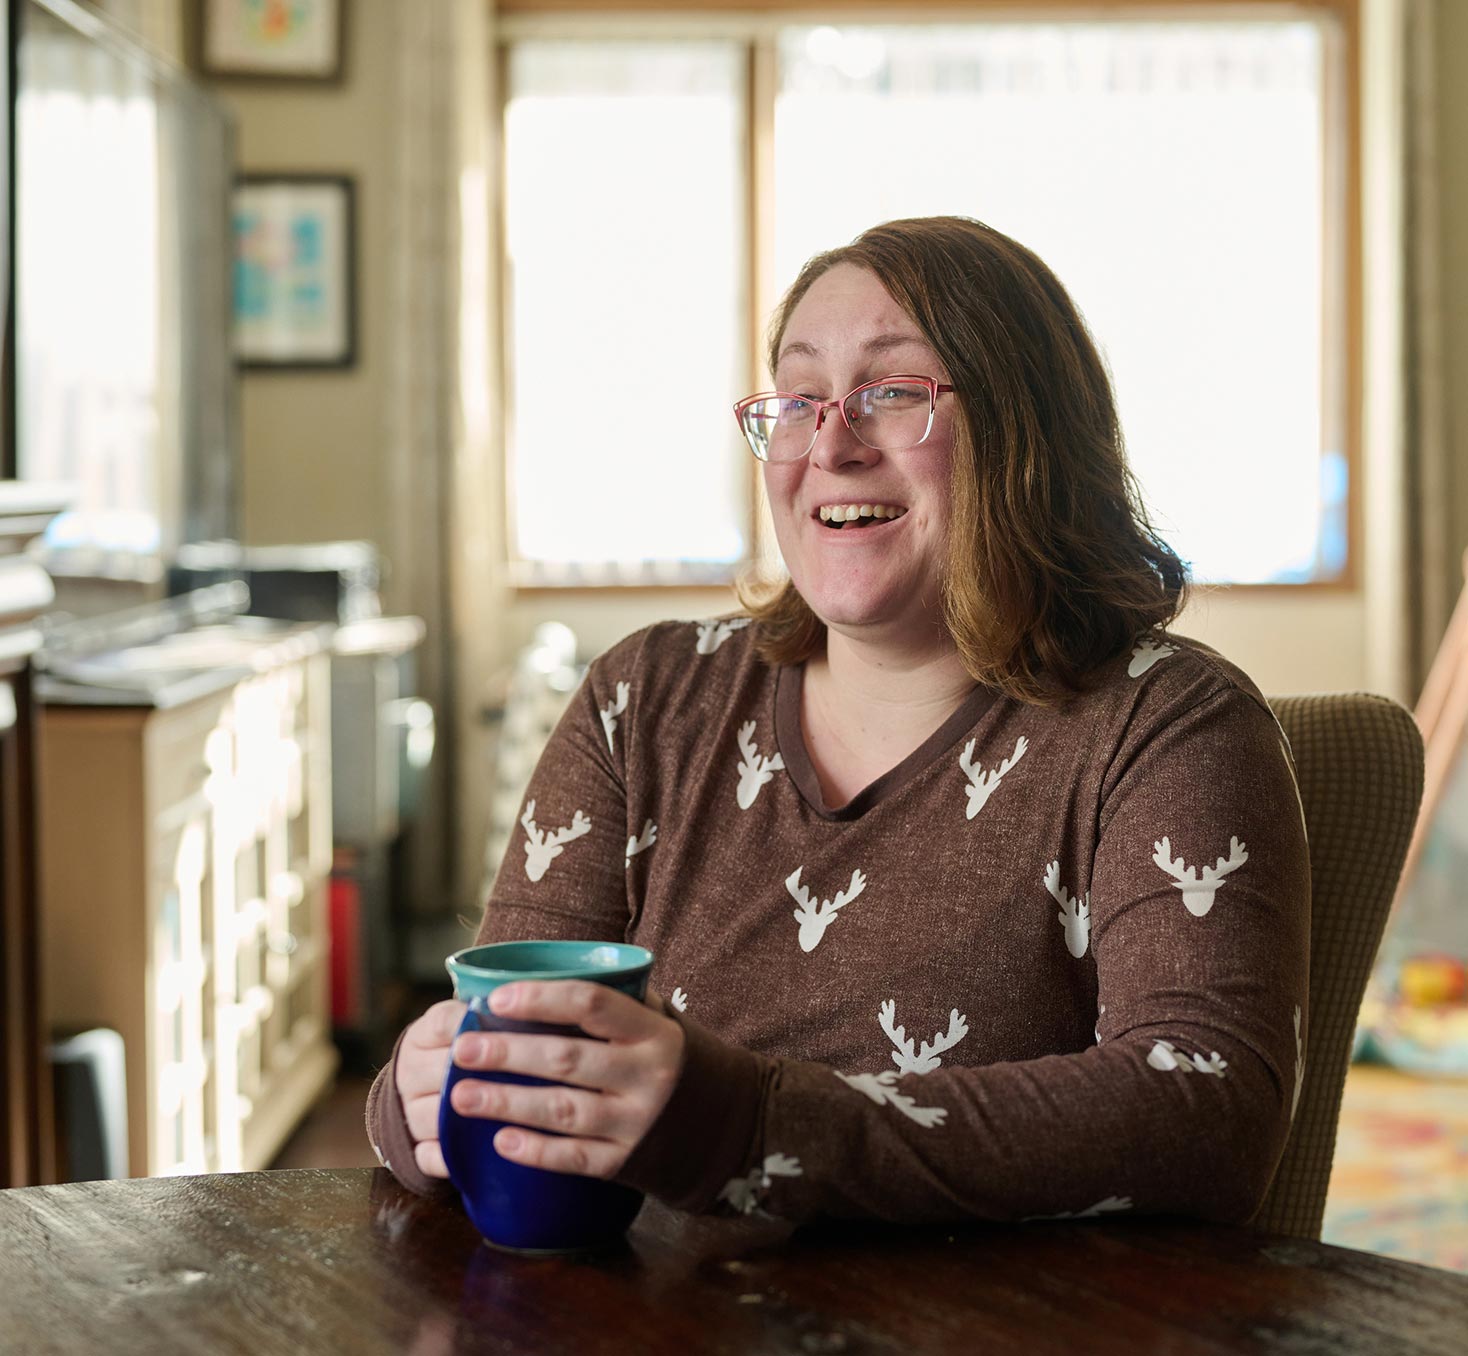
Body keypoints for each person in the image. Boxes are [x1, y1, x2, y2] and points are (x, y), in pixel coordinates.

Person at [367, 215, 1310, 1225]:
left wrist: (745, 1129)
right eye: (799, 398)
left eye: (892, 393)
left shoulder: (1169, 723)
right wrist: (414, 1104)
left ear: (1029, 434)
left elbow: (1207, 1111)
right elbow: (506, 1031)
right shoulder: (643, 697)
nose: (830, 447)